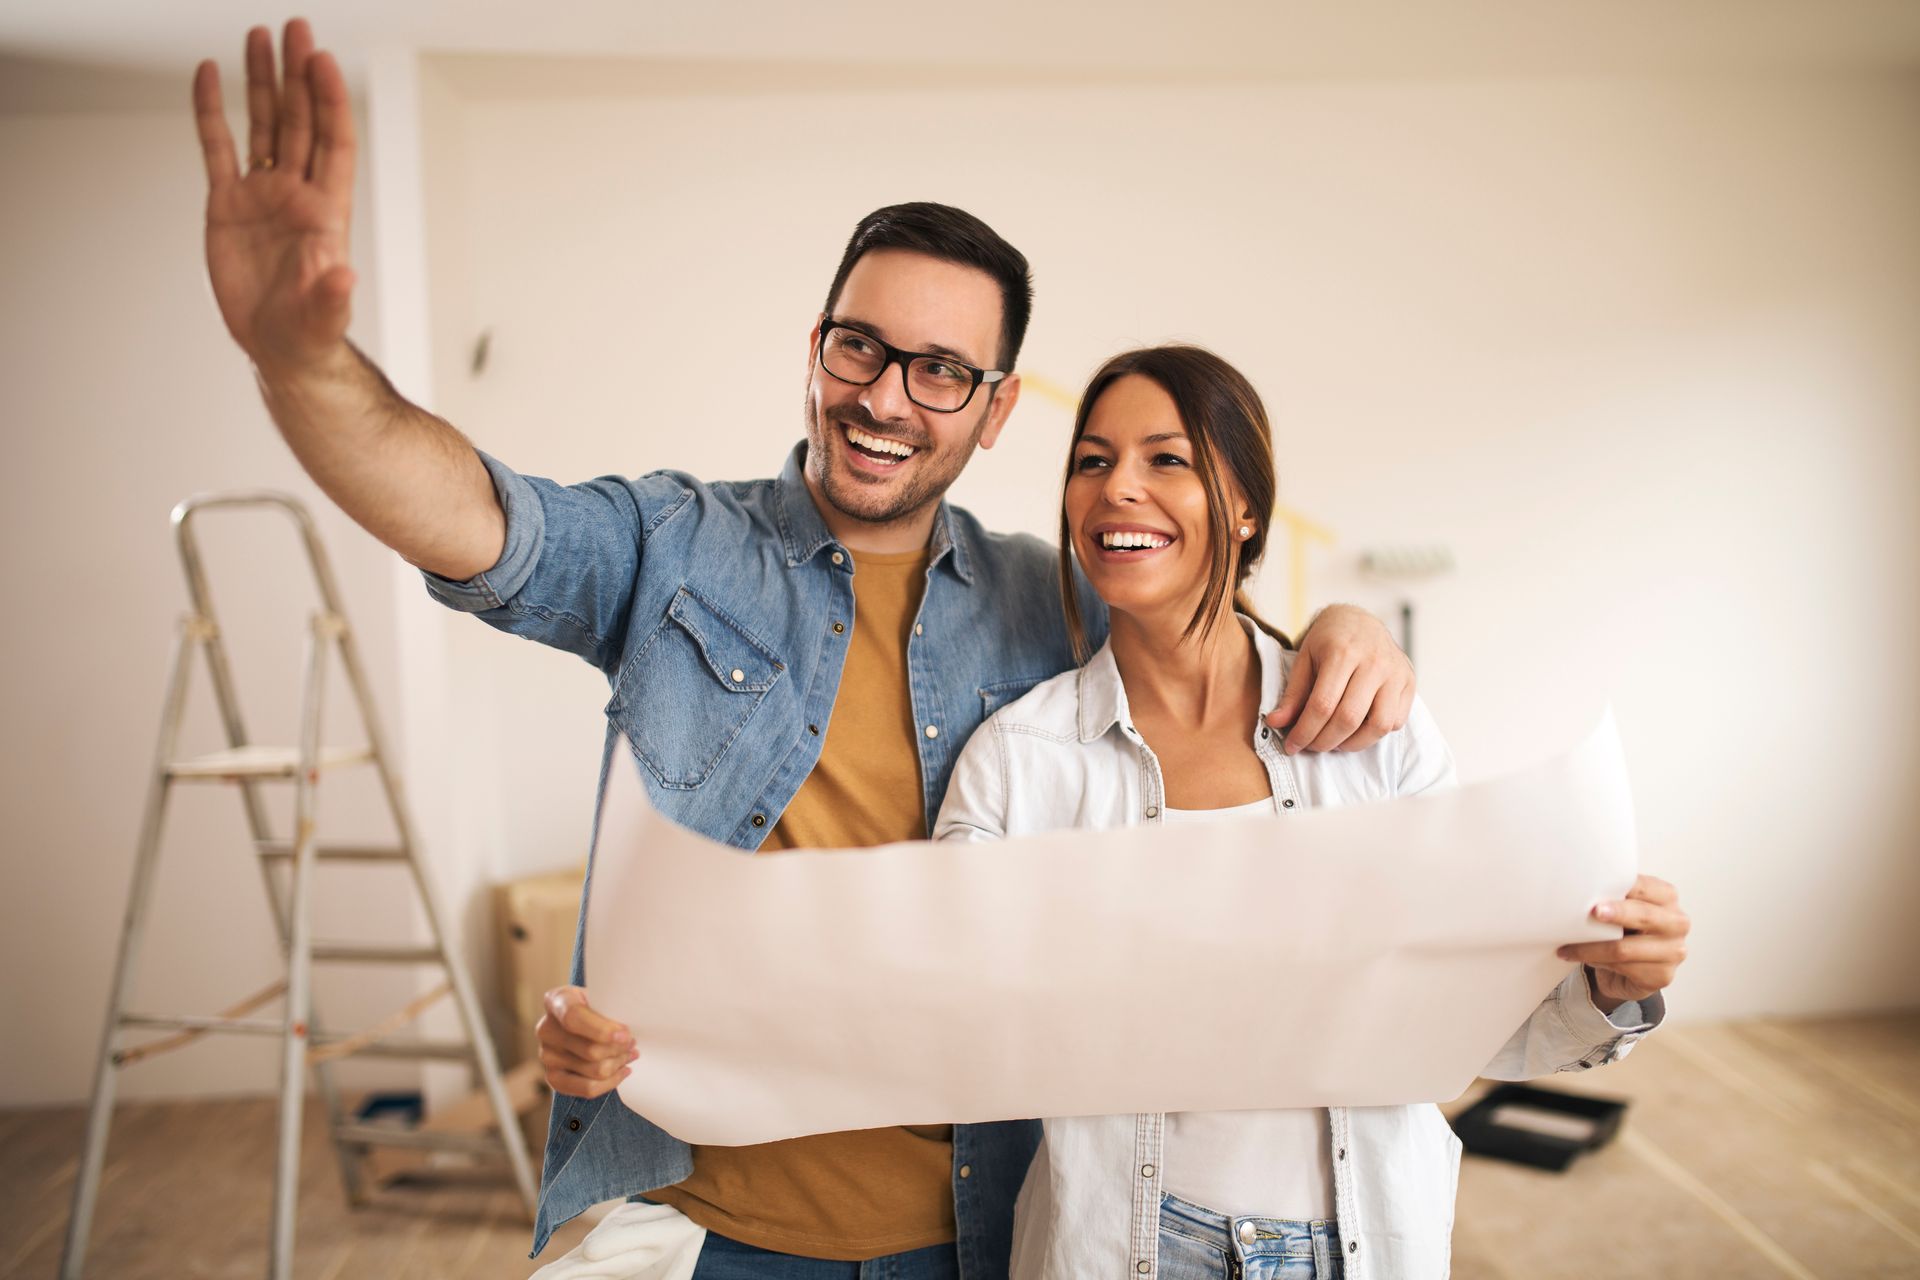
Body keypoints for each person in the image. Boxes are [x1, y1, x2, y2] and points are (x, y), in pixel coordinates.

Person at [191, 20, 1421, 1278]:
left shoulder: (1046, 599)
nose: (885, 397)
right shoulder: (675, 545)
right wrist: (304, 369)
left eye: (942, 371)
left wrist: (1343, 626)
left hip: (976, 1228)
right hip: (701, 1223)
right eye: (861, 346)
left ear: (997, 411)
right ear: (819, 345)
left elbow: (1202, 628)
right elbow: (479, 518)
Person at [932, 345, 1691, 1280]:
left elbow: (1467, 1023)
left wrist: (1608, 987)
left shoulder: (1377, 732)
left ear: (1246, 506)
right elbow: (954, 1036)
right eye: (1091, 461)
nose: (1117, 486)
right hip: (1120, 1248)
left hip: (1359, 1246)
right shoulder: (1015, 763)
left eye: (1166, 459)